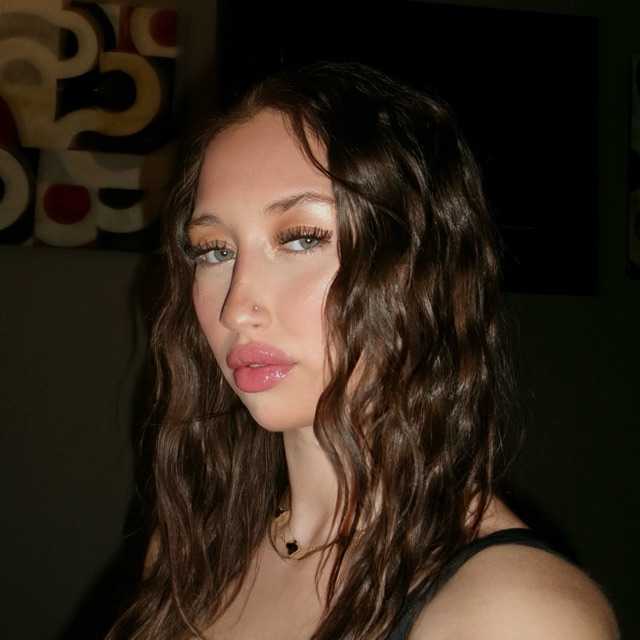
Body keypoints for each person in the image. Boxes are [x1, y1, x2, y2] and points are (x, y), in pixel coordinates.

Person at [106, 62, 618, 639]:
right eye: (214, 250)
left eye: (302, 238)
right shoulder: (191, 554)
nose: (237, 307)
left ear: (418, 267)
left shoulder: (516, 617)